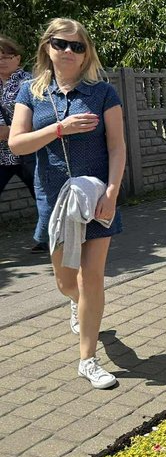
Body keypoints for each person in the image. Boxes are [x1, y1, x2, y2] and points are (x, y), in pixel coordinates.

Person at [9, 19, 126, 389]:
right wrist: (60, 128)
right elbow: (17, 144)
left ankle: (87, 359)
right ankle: (75, 303)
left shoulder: (103, 92)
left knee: (91, 278)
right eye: (62, 44)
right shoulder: (30, 92)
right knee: (66, 280)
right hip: (54, 200)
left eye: (78, 46)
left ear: (87, 51)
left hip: (96, 198)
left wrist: (112, 192)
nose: (70, 52)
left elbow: (117, 146)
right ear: (48, 47)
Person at [0, 35, 45, 252]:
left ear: (18, 58)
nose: (2, 61)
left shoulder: (30, 83)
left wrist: (12, 131)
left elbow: (41, 117)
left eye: (7, 56)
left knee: (42, 194)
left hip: (29, 151)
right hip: (2, 155)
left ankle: (50, 237)